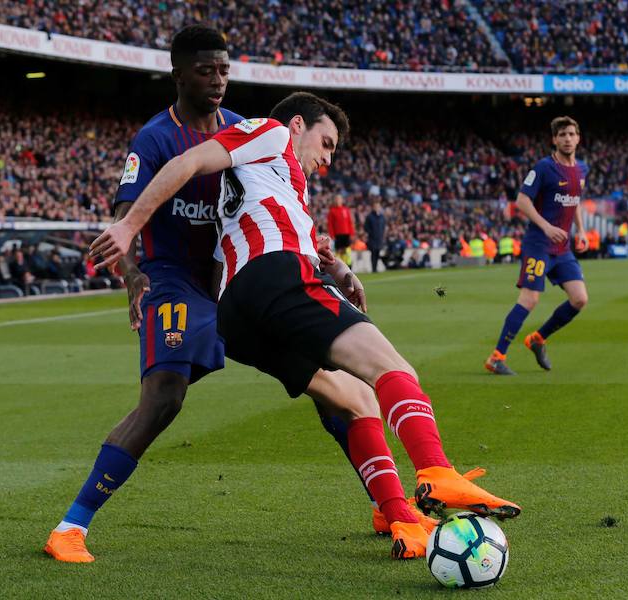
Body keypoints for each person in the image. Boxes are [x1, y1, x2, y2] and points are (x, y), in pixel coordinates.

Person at [44, 27, 431, 565]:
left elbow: (277, 208)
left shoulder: (245, 128)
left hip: (240, 281)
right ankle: (71, 526)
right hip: (176, 281)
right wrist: (132, 276)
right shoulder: (155, 139)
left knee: (336, 385)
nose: (219, 80)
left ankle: (388, 507)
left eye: (224, 70)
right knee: (164, 397)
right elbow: (124, 221)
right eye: (206, 70)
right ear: (179, 75)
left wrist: (330, 261)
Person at [91, 91, 522, 560]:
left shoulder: (263, 182)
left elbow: (252, 238)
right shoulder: (271, 132)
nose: (328, 158)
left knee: (356, 400)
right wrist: (128, 227)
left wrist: (335, 266)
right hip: (277, 276)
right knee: (392, 369)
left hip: (237, 316)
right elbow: (189, 161)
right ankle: (437, 471)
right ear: (298, 124)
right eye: (327, 143)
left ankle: (399, 518)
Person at [485, 116, 590, 375]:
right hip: (539, 245)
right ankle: (496, 357)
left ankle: (537, 339)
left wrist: (581, 230)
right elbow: (522, 200)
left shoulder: (582, 169)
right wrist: (546, 227)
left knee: (579, 299)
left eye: (571, 134)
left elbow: (574, 200)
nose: (567, 139)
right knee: (530, 299)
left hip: (562, 248)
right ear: (554, 139)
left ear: (578, 138)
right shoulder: (544, 167)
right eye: (562, 135)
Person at [327, 194, 355, 266]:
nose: (338, 201)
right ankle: (340, 266)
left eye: (339, 199)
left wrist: (352, 233)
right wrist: (332, 235)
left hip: (346, 233)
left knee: (347, 250)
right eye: (336, 199)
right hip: (337, 234)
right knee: (339, 251)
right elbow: (330, 224)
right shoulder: (332, 211)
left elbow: (350, 222)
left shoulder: (346, 210)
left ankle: (348, 265)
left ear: (342, 200)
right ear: (334, 200)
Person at [364, 201, 386, 272]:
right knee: (373, 253)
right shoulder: (370, 217)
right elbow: (366, 227)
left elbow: (383, 226)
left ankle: (376, 268)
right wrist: (371, 233)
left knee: (377, 253)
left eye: (378, 206)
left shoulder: (382, 217)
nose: (377, 208)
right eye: (375, 206)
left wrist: (382, 234)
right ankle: (374, 268)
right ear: (373, 207)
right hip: (372, 238)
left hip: (379, 238)